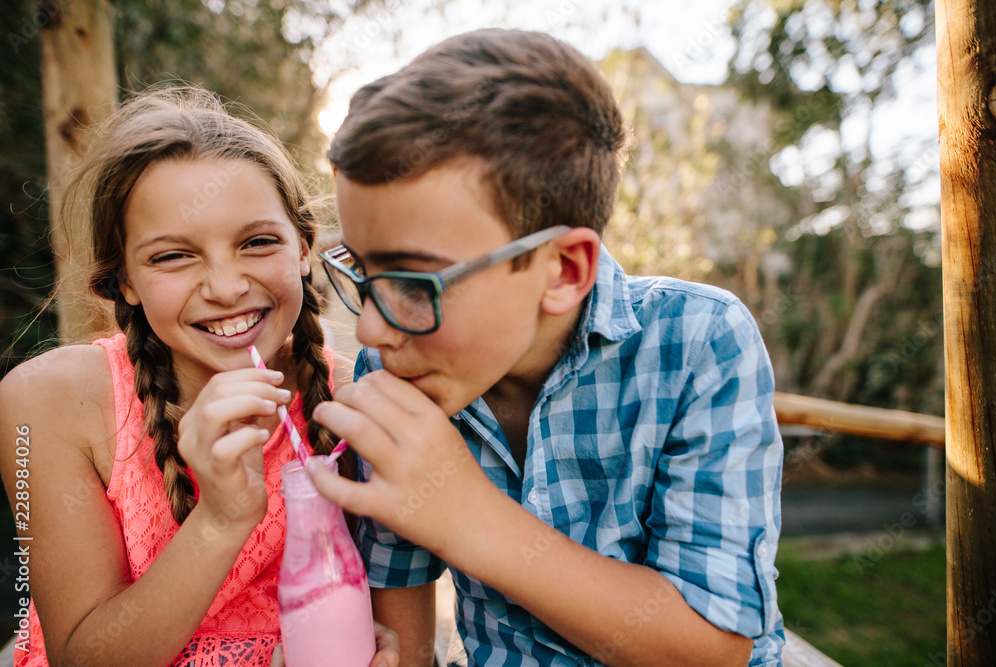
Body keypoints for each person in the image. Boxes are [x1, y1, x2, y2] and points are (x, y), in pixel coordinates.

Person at [307, 29, 784, 667]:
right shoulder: (397, 370)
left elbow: (710, 647)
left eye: (415, 285)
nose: (369, 329)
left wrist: (466, 514)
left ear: (561, 270)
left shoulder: (699, 342)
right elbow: (407, 630)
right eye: (361, 272)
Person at [0, 86, 398, 667]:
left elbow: (400, 636)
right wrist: (222, 517)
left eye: (258, 242)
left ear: (304, 248)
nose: (226, 286)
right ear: (125, 281)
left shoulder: (355, 404)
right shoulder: (46, 403)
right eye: (173, 256)